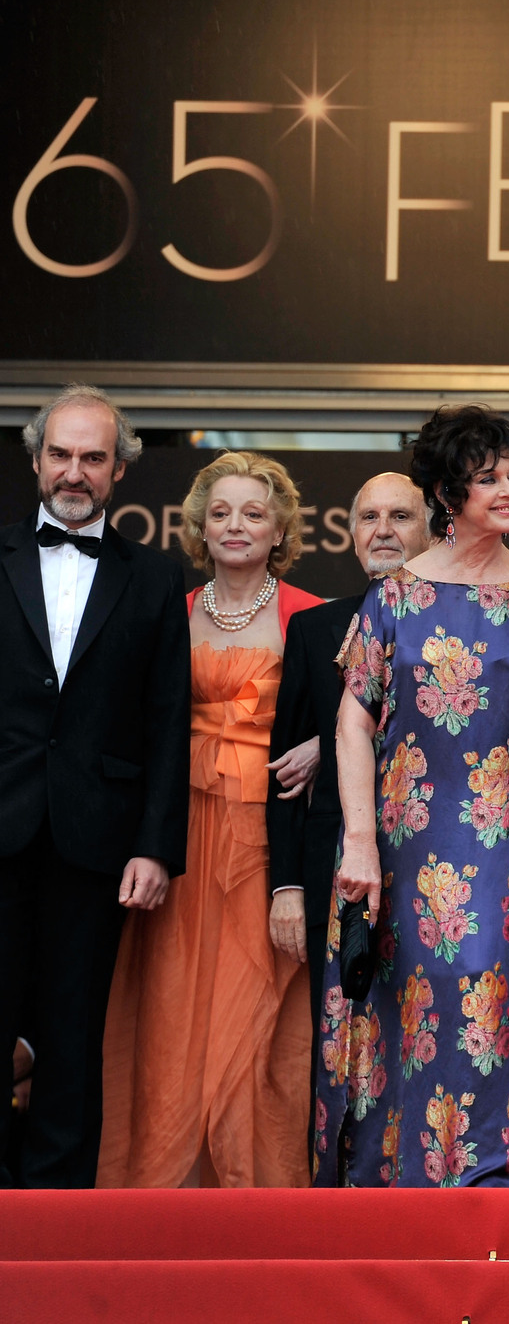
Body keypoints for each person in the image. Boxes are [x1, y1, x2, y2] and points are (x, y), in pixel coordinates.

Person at [315, 405, 509, 1188]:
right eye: (486, 477)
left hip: (502, 851)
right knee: (396, 1020)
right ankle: (384, 1208)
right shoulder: (394, 597)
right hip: (394, 847)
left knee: (487, 1019)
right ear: (445, 491)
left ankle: (484, 1211)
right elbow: (353, 720)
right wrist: (360, 841)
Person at [98, 451, 326, 1187]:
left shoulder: (313, 617)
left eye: (253, 512)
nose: (236, 525)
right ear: (197, 523)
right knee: (168, 1017)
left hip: (266, 844)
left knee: (257, 1021)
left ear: (282, 527)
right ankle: (166, 1206)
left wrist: (321, 742)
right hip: (179, 841)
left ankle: (257, 1205)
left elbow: (360, 718)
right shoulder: (173, 608)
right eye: (221, 512)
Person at [0, 386, 188, 1188]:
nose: (74, 472)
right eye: (61, 455)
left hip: (99, 839)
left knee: (74, 1031)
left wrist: (155, 844)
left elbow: (166, 719)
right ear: (37, 459)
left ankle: (55, 1217)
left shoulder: (154, 576)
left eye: (93, 458)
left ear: (119, 470)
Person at [267, 474, 431, 1027]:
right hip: (334, 867)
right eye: (369, 518)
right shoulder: (314, 629)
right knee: (339, 1043)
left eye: (401, 517)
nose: (383, 531)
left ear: (433, 528)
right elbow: (283, 773)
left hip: (441, 866)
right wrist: (287, 884)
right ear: (352, 534)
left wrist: (337, 735)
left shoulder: (468, 624)